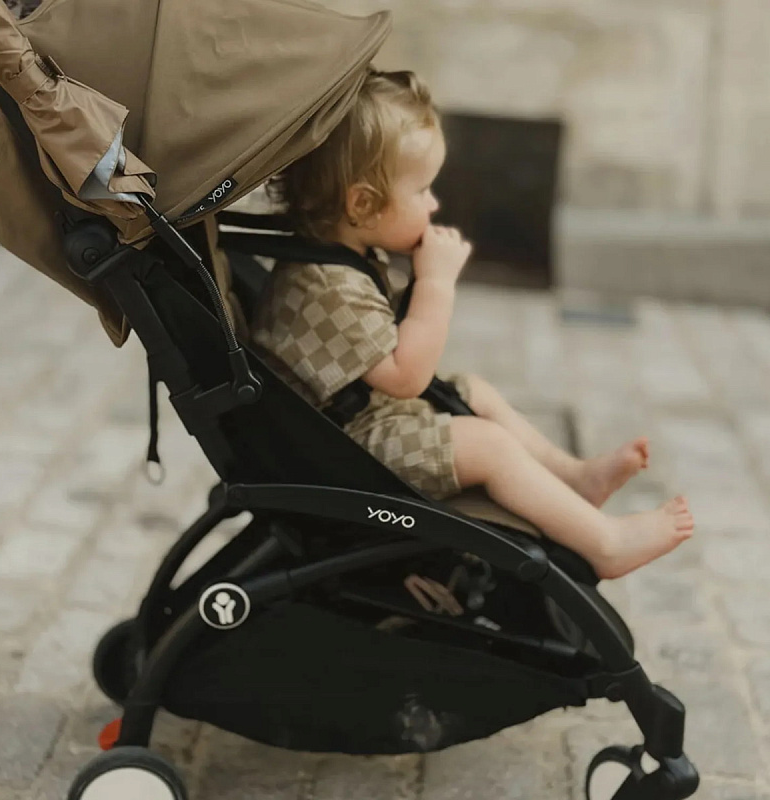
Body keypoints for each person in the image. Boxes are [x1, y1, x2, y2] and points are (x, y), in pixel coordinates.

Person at [251, 69, 693, 580]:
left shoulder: (337, 258)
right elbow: (406, 377)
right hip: (347, 451)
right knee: (487, 446)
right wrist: (436, 284)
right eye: (422, 190)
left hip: (360, 423)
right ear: (362, 204)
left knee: (474, 391)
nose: (434, 204)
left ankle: (572, 478)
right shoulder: (325, 285)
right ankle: (606, 545)